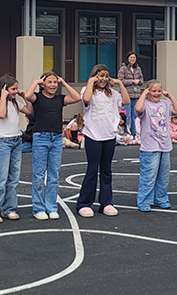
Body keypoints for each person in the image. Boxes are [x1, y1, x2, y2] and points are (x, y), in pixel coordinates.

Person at [23, 72, 82, 220]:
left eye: (55, 82)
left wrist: (64, 82)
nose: (53, 85)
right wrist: (36, 82)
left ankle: (51, 206)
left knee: (54, 175)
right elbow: (28, 95)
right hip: (40, 137)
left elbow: (77, 97)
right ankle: (38, 208)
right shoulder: (38, 98)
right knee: (39, 175)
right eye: (49, 82)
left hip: (56, 138)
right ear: (43, 84)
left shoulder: (59, 99)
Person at [77, 64, 130, 218]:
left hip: (109, 135)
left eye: (106, 76)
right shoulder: (87, 91)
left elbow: (126, 101)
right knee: (92, 170)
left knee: (106, 170)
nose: (104, 79)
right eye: (100, 76)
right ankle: (84, 203)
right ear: (95, 76)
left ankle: (106, 202)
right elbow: (86, 99)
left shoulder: (113, 94)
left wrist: (120, 83)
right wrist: (90, 81)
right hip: (93, 135)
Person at [0, 74, 33, 223]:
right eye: (13, 89)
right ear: (4, 89)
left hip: (16, 141)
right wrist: (4, 96)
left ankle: (9, 208)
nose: (15, 91)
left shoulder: (15, 102)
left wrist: (24, 96)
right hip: (3, 143)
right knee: (0, 178)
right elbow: (2, 114)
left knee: (13, 178)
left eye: (16, 88)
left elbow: (30, 111)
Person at [135, 80, 177, 212]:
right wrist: (144, 93)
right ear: (148, 91)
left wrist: (170, 96)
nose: (157, 93)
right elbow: (137, 109)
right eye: (153, 91)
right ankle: (144, 200)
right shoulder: (144, 105)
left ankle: (160, 198)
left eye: (159, 91)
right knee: (149, 175)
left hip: (165, 145)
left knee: (163, 175)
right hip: (150, 146)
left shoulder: (166, 104)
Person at [118, 51, 144, 136]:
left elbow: (142, 80)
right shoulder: (123, 68)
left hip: (136, 94)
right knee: (126, 115)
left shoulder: (138, 68)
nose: (132, 59)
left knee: (135, 115)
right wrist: (132, 81)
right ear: (127, 58)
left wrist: (139, 81)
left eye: (134, 57)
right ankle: (127, 133)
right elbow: (120, 81)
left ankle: (134, 133)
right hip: (127, 95)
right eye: (131, 57)